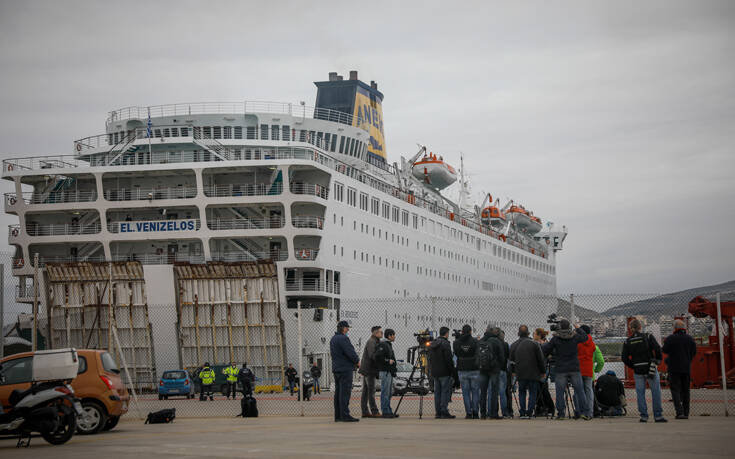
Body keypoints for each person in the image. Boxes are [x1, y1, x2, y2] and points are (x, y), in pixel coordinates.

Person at [542, 319, 591, 420]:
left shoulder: (555, 339)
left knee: (559, 392)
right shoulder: (575, 336)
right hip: (574, 368)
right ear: (569, 327)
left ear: (559, 327)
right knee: (579, 391)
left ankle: (561, 414)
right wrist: (578, 328)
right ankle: (585, 412)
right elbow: (585, 338)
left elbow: (545, 349)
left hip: (561, 368)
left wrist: (551, 354)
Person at [622, 319, 667, 423]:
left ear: (631, 329)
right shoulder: (647, 337)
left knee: (640, 393)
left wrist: (633, 365)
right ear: (640, 327)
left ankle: (644, 416)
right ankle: (658, 415)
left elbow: (624, 358)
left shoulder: (628, 341)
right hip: (650, 368)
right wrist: (657, 361)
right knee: (656, 392)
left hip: (638, 370)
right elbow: (657, 349)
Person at [662, 319, 697, 419]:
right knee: (686, 390)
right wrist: (688, 359)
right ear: (684, 328)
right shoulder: (690, 339)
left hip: (673, 368)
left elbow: (664, 350)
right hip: (686, 368)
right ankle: (686, 412)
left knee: (675, 390)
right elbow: (694, 352)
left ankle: (679, 412)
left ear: (674, 328)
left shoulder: (670, 338)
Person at [509, 325, 545, 419]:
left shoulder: (514, 345)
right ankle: (530, 412)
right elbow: (540, 359)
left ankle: (522, 412)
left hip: (520, 372)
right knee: (533, 392)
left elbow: (511, 361)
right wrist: (543, 371)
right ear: (528, 333)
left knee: (522, 392)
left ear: (518, 333)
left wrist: (513, 371)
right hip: (534, 372)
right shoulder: (535, 344)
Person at [330, 320, 360, 422]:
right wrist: (357, 361)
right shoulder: (343, 338)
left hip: (337, 369)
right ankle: (345, 415)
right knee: (345, 393)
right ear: (343, 328)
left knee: (338, 393)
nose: (348, 330)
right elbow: (350, 352)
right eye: (347, 328)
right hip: (345, 369)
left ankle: (338, 415)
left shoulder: (333, 339)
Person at [477, 325, 505, 419]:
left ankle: (483, 414)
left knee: (483, 392)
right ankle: (493, 414)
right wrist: (499, 365)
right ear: (493, 331)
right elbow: (502, 356)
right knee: (493, 392)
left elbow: (477, 355)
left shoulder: (480, 341)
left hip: (482, 369)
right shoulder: (496, 341)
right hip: (494, 369)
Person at [453, 324, 480, 419]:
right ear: (470, 331)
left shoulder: (456, 342)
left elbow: (456, 353)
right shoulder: (475, 341)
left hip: (462, 369)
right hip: (474, 369)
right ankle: (476, 412)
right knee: (475, 392)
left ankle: (468, 413)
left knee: (466, 392)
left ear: (462, 331)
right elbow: (478, 353)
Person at [428, 327, 456, 419]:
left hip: (435, 372)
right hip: (444, 372)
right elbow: (449, 360)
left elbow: (430, 359)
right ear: (446, 333)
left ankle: (438, 412)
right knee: (445, 392)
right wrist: (452, 371)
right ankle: (444, 411)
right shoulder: (446, 344)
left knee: (437, 392)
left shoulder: (433, 344)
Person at [359, 326, 383, 418]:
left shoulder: (374, 341)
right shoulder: (372, 342)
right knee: (371, 391)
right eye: (381, 332)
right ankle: (374, 411)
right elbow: (372, 355)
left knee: (366, 391)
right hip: (369, 370)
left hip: (367, 369)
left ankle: (365, 411)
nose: (382, 333)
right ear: (375, 333)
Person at [374, 328, 398, 418]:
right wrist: (388, 361)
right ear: (390, 336)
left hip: (389, 372)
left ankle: (388, 410)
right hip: (385, 371)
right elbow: (377, 356)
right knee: (385, 392)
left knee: (389, 392)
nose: (394, 337)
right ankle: (385, 411)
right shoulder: (383, 345)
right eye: (393, 335)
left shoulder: (388, 344)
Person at [574, 325, 597, 418]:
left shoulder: (578, 343)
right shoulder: (591, 343)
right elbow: (594, 349)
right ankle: (589, 412)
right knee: (589, 391)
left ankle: (579, 411)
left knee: (577, 391)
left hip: (578, 369)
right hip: (588, 369)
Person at [497, 329, 512, 418]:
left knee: (493, 392)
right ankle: (505, 412)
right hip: (503, 369)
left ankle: (492, 411)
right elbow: (508, 357)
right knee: (503, 392)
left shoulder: (493, 343)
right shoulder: (505, 345)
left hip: (495, 370)